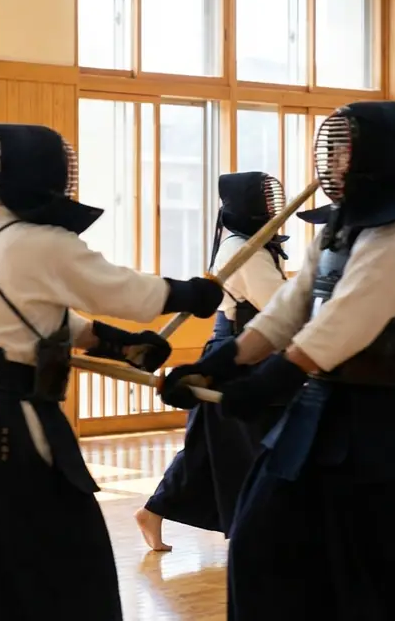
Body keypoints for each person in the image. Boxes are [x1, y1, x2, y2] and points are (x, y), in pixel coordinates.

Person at [161, 101, 395, 619]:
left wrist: (269, 379)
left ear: (376, 158)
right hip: (315, 413)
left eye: (344, 151)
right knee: (259, 541)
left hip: (383, 427)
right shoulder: (336, 232)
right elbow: (288, 310)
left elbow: (341, 325)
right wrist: (223, 362)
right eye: (330, 152)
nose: (332, 164)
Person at [0, 123, 224, 621]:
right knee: (61, 551)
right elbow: (125, 292)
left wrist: (114, 344)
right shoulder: (40, 242)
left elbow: (29, 312)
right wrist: (191, 294)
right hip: (9, 424)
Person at [135, 171, 291, 551]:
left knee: (205, 447)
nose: (274, 209)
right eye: (266, 202)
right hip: (239, 356)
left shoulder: (253, 245)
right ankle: (260, 529)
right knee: (256, 444)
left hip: (247, 351)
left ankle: (154, 511)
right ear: (248, 206)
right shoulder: (243, 251)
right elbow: (280, 304)